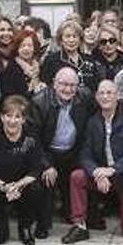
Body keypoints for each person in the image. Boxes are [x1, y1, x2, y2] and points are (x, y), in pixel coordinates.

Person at [63, 80, 123, 244]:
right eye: (101, 93)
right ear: (96, 97)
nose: (105, 97)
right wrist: (96, 171)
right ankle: (80, 225)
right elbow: (85, 153)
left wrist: (113, 170)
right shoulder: (93, 121)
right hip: (103, 174)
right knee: (77, 176)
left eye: (109, 93)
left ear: (117, 95)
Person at [28, 68, 94, 234]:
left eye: (72, 85)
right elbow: (33, 138)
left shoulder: (84, 97)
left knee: (81, 175)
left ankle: (82, 217)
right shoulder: (39, 101)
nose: (68, 89)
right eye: (64, 84)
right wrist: (46, 164)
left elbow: (106, 103)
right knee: (47, 179)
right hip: (48, 150)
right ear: (54, 84)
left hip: (73, 151)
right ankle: (43, 224)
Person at [0, 95, 48, 245]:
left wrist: (18, 185)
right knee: (0, 238)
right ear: (2, 117)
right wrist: (5, 187)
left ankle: (25, 226)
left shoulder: (31, 135)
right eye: (8, 116)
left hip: (22, 185)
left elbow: (36, 168)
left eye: (17, 117)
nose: (12, 120)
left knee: (36, 188)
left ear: (23, 119)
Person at [41, 20, 105, 96]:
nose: (71, 40)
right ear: (61, 40)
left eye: (75, 36)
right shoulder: (51, 60)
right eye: (67, 36)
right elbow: (46, 86)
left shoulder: (89, 60)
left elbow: (96, 87)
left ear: (80, 40)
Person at [0, 29, 46, 99]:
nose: (26, 49)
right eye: (22, 46)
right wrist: (33, 92)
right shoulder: (10, 70)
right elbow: (9, 98)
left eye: (30, 46)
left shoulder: (40, 67)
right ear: (17, 48)